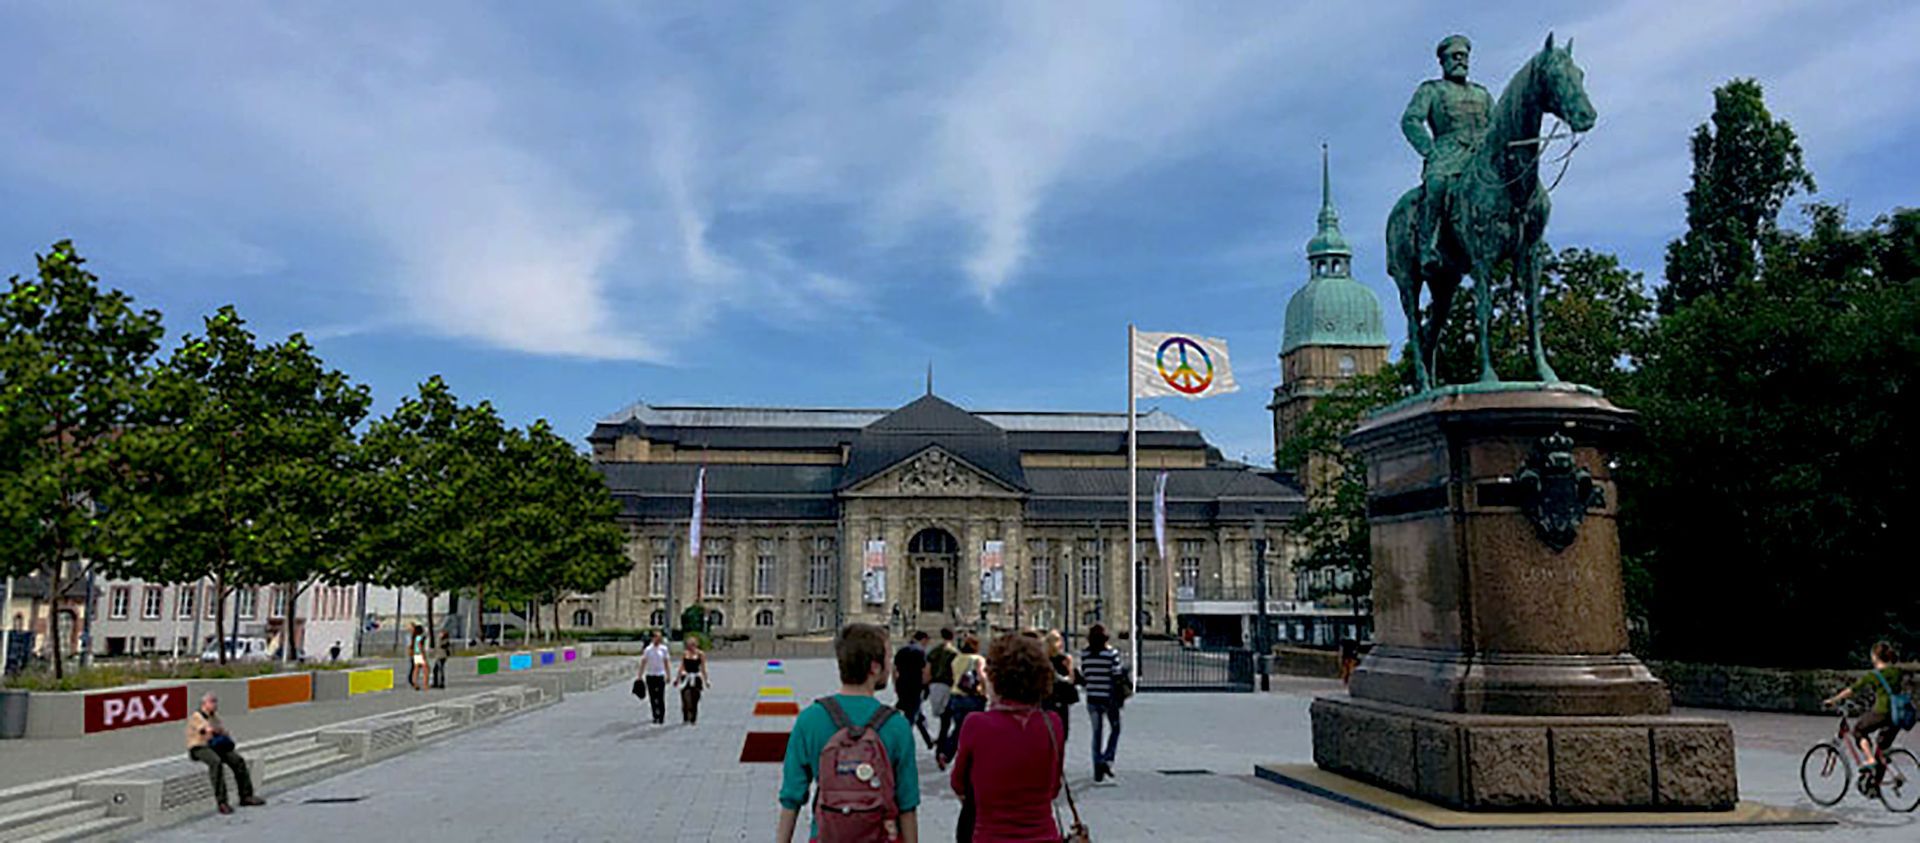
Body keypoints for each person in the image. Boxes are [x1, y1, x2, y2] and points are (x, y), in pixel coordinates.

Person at [777, 624, 920, 843]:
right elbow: (907, 803)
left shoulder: (810, 719)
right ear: (875, 667)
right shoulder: (896, 725)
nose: (890, 667)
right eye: (888, 658)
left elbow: (791, 797)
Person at [952, 634, 1064, 843]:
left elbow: (959, 783)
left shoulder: (977, 724)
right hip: (1043, 835)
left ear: (996, 678)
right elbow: (1054, 787)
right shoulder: (1052, 723)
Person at [1402, 33, 1494, 278]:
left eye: (1464, 56)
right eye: (1454, 56)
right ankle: (1426, 247)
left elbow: (1497, 126)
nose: (1460, 61)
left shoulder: (1482, 94)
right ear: (1443, 62)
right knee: (1436, 187)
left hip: (1481, 157)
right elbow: (1411, 120)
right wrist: (1429, 150)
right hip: (1447, 154)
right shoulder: (1431, 90)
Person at [1825, 640, 1910, 789]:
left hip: (1882, 712)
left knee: (1858, 730)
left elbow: (1852, 689)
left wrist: (1834, 700)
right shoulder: (1896, 672)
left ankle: (1869, 759)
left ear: (1875, 657)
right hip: (1897, 715)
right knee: (1882, 750)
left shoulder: (1874, 675)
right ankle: (1875, 785)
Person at [186, 693, 265, 814]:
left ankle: (246, 796)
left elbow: (222, 731)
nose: (215, 704)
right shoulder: (197, 716)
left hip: (214, 746)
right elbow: (207, 731)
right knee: (216, 762)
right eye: (212, 702)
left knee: (238, 760)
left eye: (215, 701)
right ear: (204, 704)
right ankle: (222, 802)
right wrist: (215, 731)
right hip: (199, 747)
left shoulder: (214, 717)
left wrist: (218, 732)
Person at [1076, 623, 1130, 784]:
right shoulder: (1111, 654)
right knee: (1115, 728)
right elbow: (1116, 674)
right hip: (1109, 698)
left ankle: (1097, 769)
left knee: (1096, 734)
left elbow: (1085, 674)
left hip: (1092, 697)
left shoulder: (1085, 654)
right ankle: (1107, 759)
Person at [937, 634, 988, 771]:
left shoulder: (956, 659)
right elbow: (981, 676)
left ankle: (947, 753)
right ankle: (970, 758)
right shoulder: (977, 659)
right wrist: (985, 691)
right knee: (974, 729)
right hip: (972, 697)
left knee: (959, 727)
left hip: (955, 696)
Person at [893, 630, 934, 747]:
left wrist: (895, 684)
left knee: (915, 712)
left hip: (902, 683)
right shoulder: (921, 652)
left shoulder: (902, 650)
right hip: (915, 685)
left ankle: (928, 739)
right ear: (923, 640)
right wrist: (926, 685)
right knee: (912, 713)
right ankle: (903, 740)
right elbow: (926, 670)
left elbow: (894, 670)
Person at [1043, 629, 1078, 746]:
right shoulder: (1047, 660)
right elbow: (1071, 680)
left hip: (1055, 700)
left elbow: (1074, 680)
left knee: (1059, 734)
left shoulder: (1062, 659)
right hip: (1052, 700)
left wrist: (1070, 667)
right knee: (1058, 734)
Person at [926, 627, 959, 752]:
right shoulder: (954, 652)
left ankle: (941, 740)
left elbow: (928, 668)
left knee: (942, 716)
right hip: (948, 684)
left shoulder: (934, 651)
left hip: (935, 684)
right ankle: (943, 742)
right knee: (948, 717)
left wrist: (926, 683)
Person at [676, 636, 711, 725]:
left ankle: (693, 717)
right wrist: (677, 678)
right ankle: (686, 716)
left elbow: (703, 668)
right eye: (689, 644)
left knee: (695, 698)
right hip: (686, 676)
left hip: (696, 677)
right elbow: (681, 667)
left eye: (693, 644)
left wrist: (706, 680)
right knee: (685, 697)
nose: (691, 646)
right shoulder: (685, 654)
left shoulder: (700, 654)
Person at [641, 632, 672, 725]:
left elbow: (666, 662)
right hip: (650, 675)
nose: (658, 639)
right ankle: (655, 715)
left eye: (659, 638)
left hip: (660, 675)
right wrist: (640, 675)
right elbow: (644, 662)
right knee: (652, 697)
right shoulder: (648, 649)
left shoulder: (663, 649)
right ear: (652, 638)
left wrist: (668, 675)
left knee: (660, 696)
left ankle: (661, 716)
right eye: (656, 637)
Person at [407, 624, 428, 691]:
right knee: (426, 670)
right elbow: (420, 646)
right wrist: (423, 654)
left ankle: (415, 683)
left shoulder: (415, 637)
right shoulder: (419, 637)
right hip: (420, 654)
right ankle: (425, 685)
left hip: (416, 654)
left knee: (416, 670)